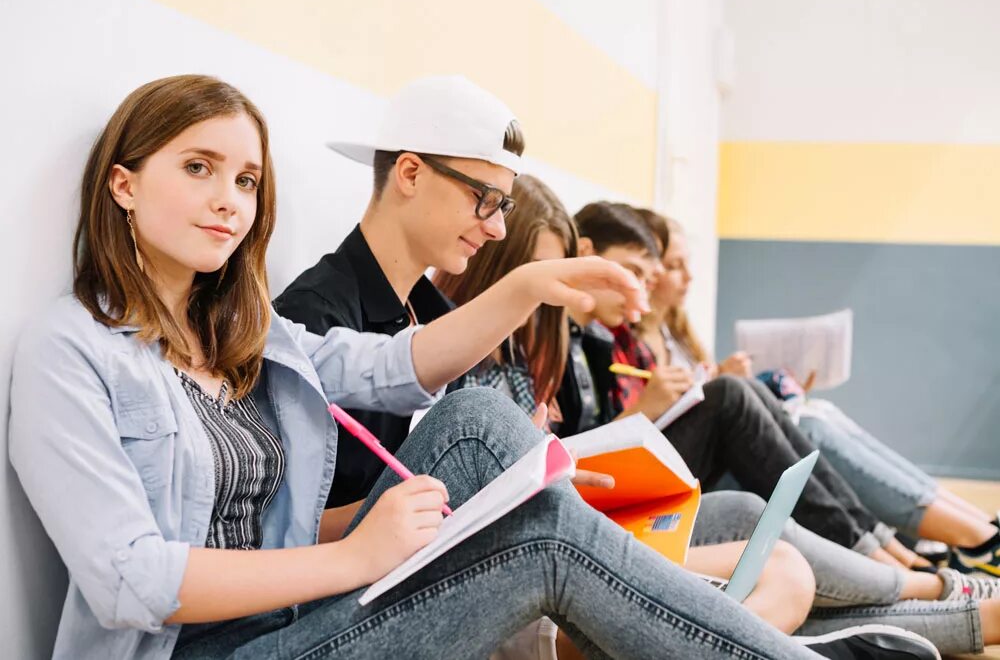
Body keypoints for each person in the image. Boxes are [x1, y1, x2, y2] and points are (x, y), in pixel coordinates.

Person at [12, 74, 934, 660]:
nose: (229, 201)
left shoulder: (247, 332)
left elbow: (391, 367)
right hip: (211, 652)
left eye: (246, 181)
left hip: (300, 617)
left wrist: (529, 283)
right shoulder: (70, 351)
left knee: (488, 427)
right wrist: (352, 556)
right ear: (123, 185)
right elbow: (129, 581)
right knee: (550, 531)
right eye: (200, 169)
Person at [436, 174, 1000, 657]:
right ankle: (941, 590)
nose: (662, 283)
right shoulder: (482, 346)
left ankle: (940, 585)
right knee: (777, 560)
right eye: (652, 269)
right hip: (564, 529)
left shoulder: (549, 334)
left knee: (759, 518)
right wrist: (634, 414)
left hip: (588, 510)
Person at [635, 211, 1000, 578]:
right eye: (672, 266)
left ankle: (976, 531)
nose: (688, 276)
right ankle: (945, 543)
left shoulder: (677, 338)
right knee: (808, 425)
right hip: (696, 475)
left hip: (715, 453)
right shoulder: (624, 345)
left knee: (814, 413)